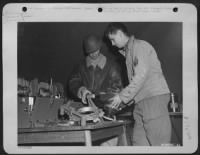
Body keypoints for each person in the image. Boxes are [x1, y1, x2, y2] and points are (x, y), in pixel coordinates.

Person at [104, 22, 172, 146]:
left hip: (153, 99)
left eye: (112, 40)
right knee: (138, 143)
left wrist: (121, 97)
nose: (112, 44)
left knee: (160, 145)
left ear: (120, 34)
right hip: (141, 103)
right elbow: (137, 84)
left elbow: (140, 77)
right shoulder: (129, 53)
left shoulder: (140, 47)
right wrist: (121, 103)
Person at [68, 34, 123, 146]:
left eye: (96, 50)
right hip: (87, 114)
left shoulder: (111, 65)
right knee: (87, 145)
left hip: (106, 113)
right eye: (90, 52)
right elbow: (73, 81)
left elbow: (117, 88)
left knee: (108, 146)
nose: (93, 54)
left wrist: (102, 99)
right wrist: (82, 90)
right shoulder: (81, 66)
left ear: (100, 48)